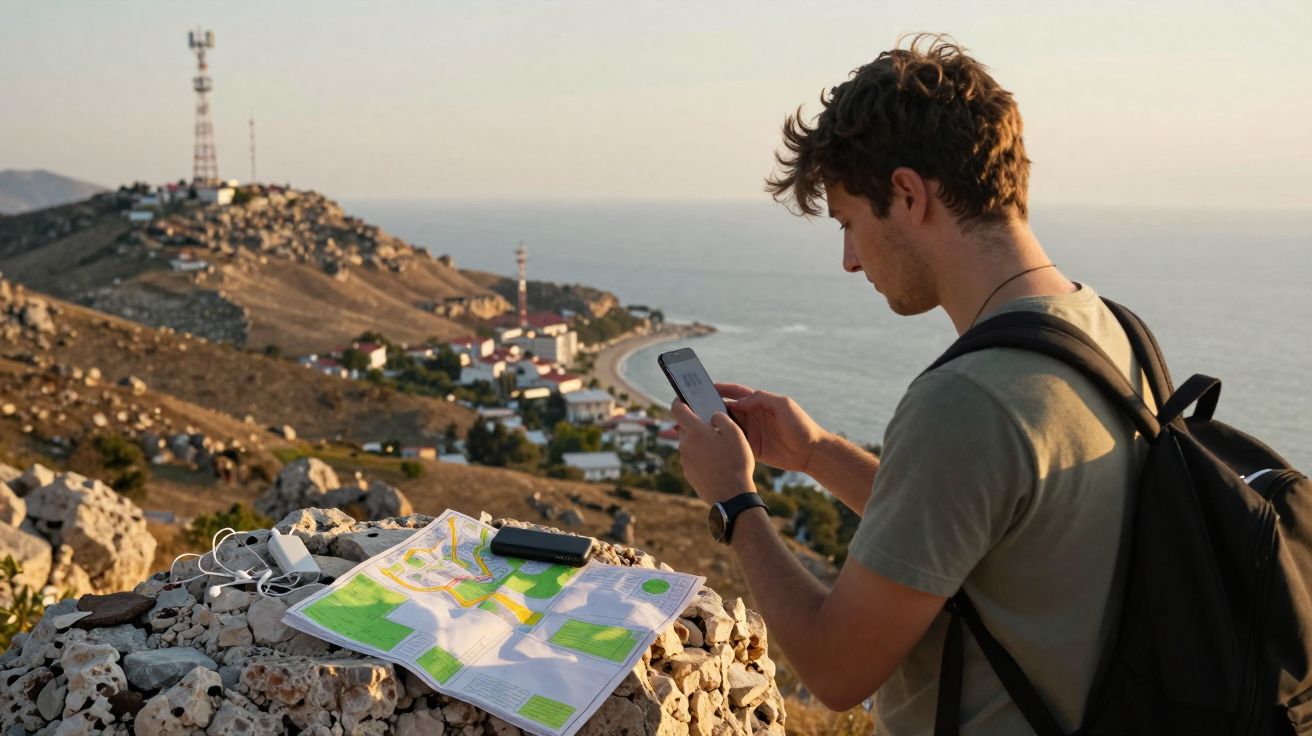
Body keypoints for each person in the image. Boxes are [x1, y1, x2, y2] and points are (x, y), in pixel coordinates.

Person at [670, 34, 1154, 735]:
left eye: (849, 223)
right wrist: (815, 453)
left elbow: (835, 669)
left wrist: (735, 501)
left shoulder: (968, 401)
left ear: (906, 194)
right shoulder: (1110, 331)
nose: (849, 259)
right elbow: (981, 528)